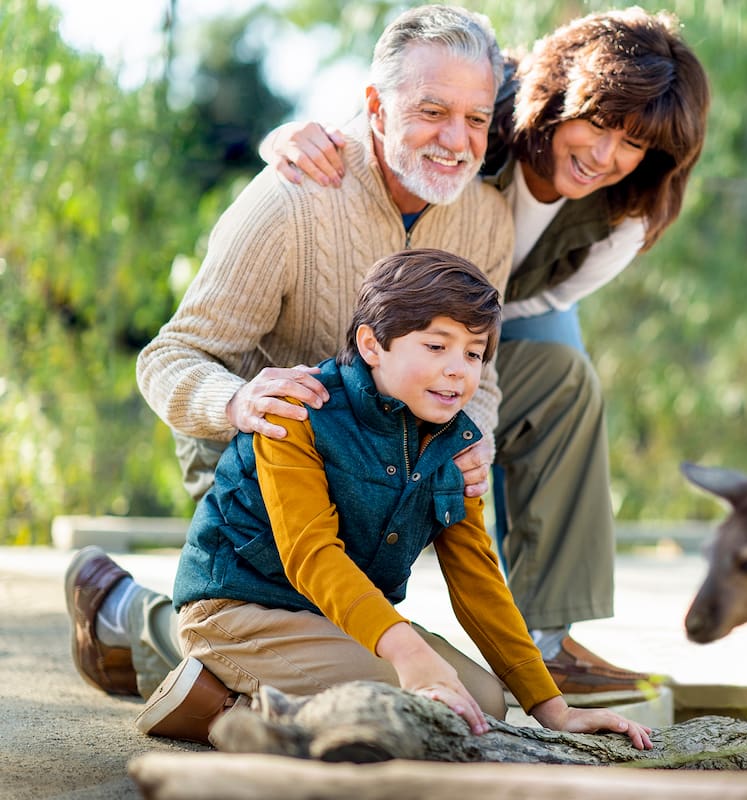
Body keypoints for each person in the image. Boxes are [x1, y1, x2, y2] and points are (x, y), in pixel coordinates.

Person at [67, 4, 516, 704]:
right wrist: (237, 401)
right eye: (431, 111)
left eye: (476, 118)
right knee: (303, 632)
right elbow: (169, 356)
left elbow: (483, 372)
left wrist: (475, 434)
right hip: (257, 472)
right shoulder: (293, 197)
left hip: (374, 481)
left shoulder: (488, 219)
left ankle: (157, 634)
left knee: (446, 689)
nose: (455, 139)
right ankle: (141, 615)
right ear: (375, 105)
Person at [261, 7, 711, 694]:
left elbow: (546, 304)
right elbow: (383, 122)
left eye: (634, 143)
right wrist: (289, 138)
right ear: (558, 95)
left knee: (565, 376)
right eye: (598, 121)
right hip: (386, 308)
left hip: (498, 313)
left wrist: (469, 397)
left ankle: (546, 638)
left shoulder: (626, 210)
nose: (604, 154)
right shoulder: (482, 103)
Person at [68, 250, 652, 749]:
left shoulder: (454, 444)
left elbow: (477, 578)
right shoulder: (299, 411)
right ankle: (219, 710)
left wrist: (553, 709)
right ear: (373, 344)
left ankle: (247, 694)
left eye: (473, 354)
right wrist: (407, 651)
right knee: (433, 712)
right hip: (238, 609)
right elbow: (311, 554)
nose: (457, 371)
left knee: (486, 704)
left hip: (338, 621)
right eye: (436, 345)